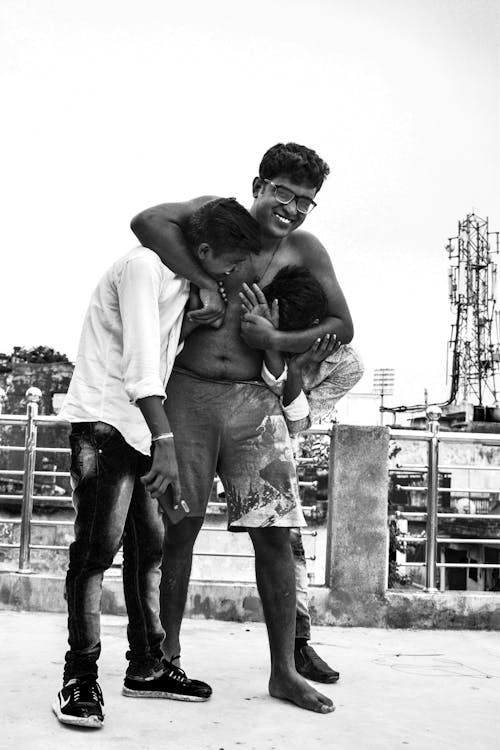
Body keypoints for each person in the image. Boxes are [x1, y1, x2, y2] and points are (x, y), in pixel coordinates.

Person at [131, 142, 354, 713]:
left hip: (256, 405)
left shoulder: (304, 247)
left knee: (275, 536)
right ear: (259, 184)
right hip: (189, 391)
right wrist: (202, 281)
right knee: (176, 529)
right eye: (284, 193)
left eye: (307, 200)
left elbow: (342, 325)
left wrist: (274, 341)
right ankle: (167, 659)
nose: (294, 208)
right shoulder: (217, 214)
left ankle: (284, 672)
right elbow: (146, 221)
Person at [52, 198, 260, 729]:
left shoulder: (184, 284)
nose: (232, 274)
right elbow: (141, 364)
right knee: (96, 551)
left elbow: (163, 350)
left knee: (150, 551)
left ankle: (147, 667)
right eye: (229, 263)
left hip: (141, 428)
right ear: (205, 249)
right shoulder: (144, 267)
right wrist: (166, 439)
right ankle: (79, 677)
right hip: (105, 424)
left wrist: (195, 323)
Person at [241, 265, 364, 682]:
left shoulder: (345, 364)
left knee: (287, 542)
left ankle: (296, 646)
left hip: (271, 439)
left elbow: (298, 423)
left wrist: (291, 368)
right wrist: (273, 343)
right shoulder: (262, 323)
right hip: (230, 418)